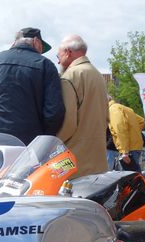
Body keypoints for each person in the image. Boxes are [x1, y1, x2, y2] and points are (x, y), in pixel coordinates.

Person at [0, 27, 64, 145]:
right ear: (36, 42)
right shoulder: (45, 65)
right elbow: (54, 112)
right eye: (42, 47)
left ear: (14, 42)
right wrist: (43, 139)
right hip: (27, 141)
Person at [55, 34, 108, 177]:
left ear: (68, 52)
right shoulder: (98, 75)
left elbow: (68, 122)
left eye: (57, 55)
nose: (58, 60)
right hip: (98, 160)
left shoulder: (71, 76)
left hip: (75, 162)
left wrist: (52, 143)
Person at [108, 98, 145, 172]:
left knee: (129, 178)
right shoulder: (123, 108)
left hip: (128, 148)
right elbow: (141, 121)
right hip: (135, 146)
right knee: (135, 175)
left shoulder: (113, 110)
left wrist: (124, 152)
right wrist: (133, 133)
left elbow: (120, 129)